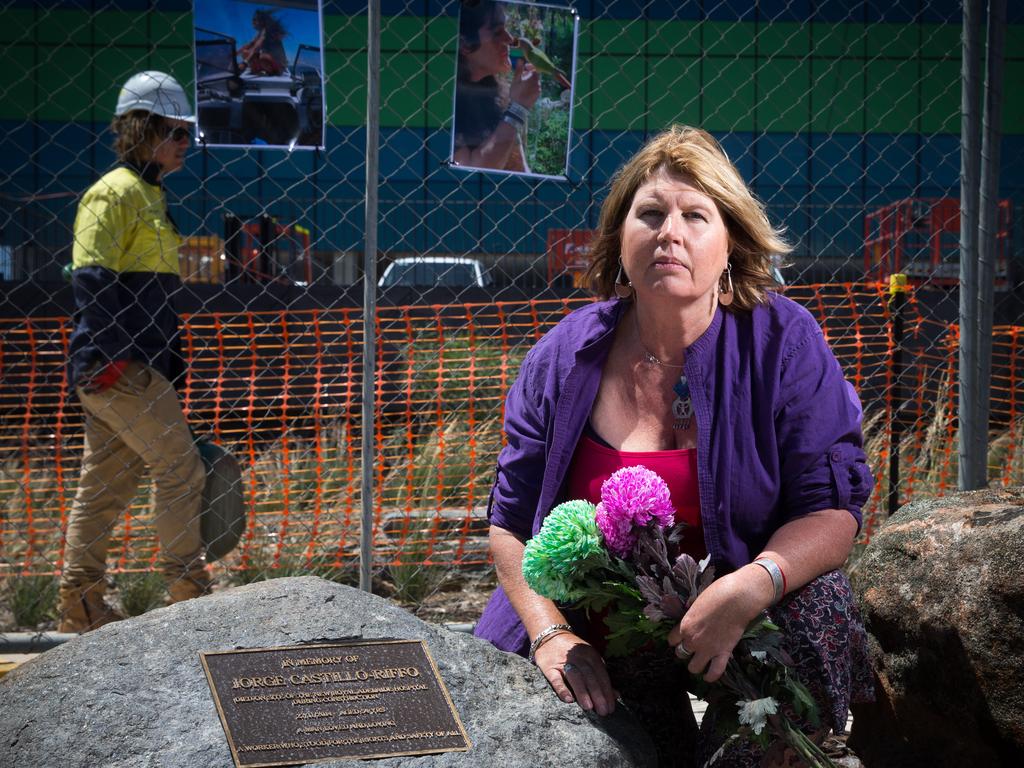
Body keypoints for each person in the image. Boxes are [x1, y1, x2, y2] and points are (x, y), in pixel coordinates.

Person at [474, 125, 875, 766]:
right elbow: (510, 526)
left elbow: (831, 513)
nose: (671, 232)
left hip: (739, 615)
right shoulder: (562, 356)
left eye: (696, 215)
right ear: (620, 239)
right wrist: (551, 632)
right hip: (597, 634)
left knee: (818, 605)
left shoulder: (785, 343)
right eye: (651, 213)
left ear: (732, 247)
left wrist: (752, 585)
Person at [58, 71, 212, 633]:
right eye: (175, 131)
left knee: (105, 482)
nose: (184, 143)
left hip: (131, 363)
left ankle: (83, 604)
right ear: (143, 130)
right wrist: (112, 358)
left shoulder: (149, 192)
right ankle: (186, 591)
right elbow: (91, 277)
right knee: (180, 468)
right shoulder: (114, 191)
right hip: (121, 366)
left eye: (187, 133)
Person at [453, 0, 540, 173]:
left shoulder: (500, 93)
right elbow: (470, 174)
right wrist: (518, 108)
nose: (509, 39)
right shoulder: (449, 100)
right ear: (465, 44)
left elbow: (521, 168)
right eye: (497, 32)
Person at [238, 9, 288, 77]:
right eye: (253, 19)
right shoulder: (260, 33)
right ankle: (256, 71)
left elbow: (256, 48)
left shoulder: (266, 32)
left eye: (255, 19)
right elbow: (249, 44)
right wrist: (233, 54)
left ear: (262, 21)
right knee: (245, 53)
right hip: (273, 63)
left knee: (263, 56)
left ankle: (271, 73)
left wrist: (244, 63)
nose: (252, 21)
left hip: (280, 68)